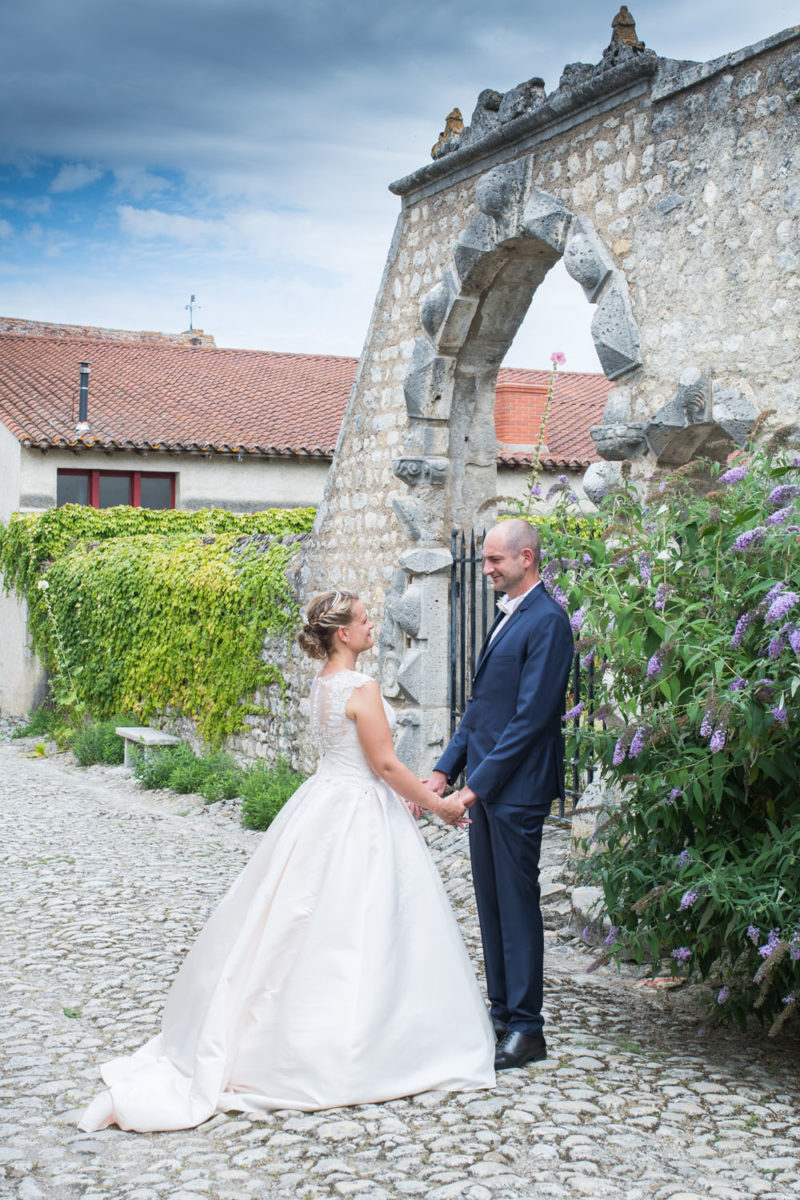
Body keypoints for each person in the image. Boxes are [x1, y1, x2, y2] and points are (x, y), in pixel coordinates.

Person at [78, 590, 495, 1132]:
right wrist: (437, 804)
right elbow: (387, 764)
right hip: (358, 812)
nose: (374, 626)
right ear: (342, 633)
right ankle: (368, 1044)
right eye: (366, 620)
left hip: (324, 801)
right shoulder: (361, 688)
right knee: (360, 922)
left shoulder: (322, 684)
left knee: (300, 920)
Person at [426, 519, 573, 1072]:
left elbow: (532, 719)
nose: (485, 569)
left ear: (527, 558)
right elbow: (482, 709)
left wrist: (472, 789)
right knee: (489, 904)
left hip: (517, 788)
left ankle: (528, 1028)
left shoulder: (549, 622)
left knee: (515, 904)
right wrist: (445, 771)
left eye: (494, 561)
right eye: (485, 560)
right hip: (486, 786)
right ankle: (499, 1014)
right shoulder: (506, 616)